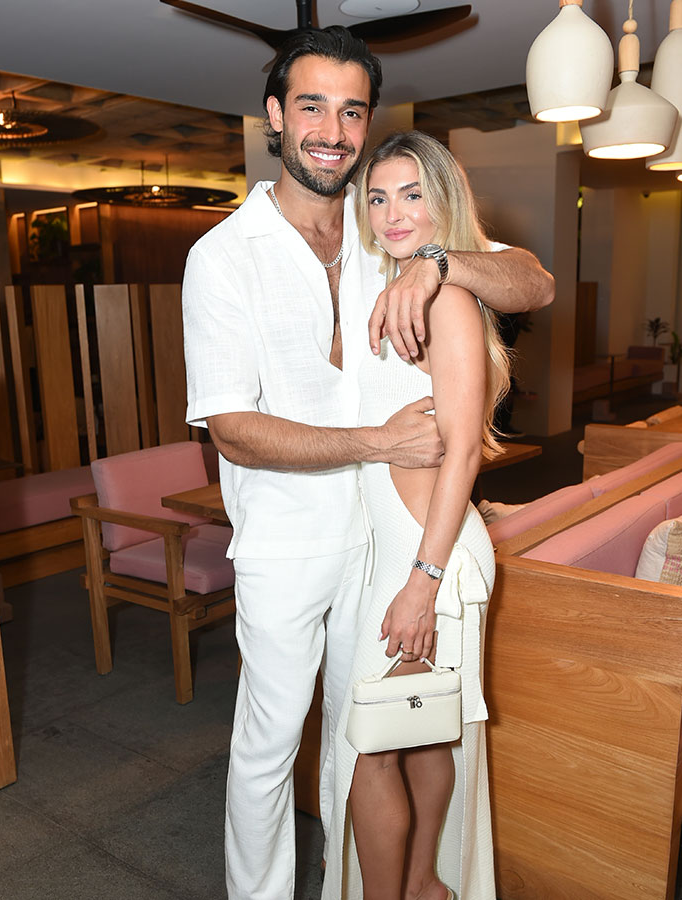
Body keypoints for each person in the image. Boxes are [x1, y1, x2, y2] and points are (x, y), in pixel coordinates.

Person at [181, 26, 554, 900]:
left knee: (365, 739)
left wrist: (435, 262)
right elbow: (233, 428)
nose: (333, 130)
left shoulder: (381, 217)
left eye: (352, 111)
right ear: (275, 116)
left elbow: (532, 281)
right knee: (269, 748)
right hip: (283, 540)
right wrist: (381, 444)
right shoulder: (223, 258)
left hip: (382, 543)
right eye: (311, 105)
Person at [322, 131, 509, 900]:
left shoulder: (451, 296)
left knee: (374, 744)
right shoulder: (386, 286)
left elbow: (462, 452)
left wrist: (422, 583)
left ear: (443, 202)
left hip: (429, 558)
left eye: (411, 194)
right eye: (377, 195)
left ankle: (391, 893)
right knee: (419, 723)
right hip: (402, 546)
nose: (393, 212)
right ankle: (427, 881)